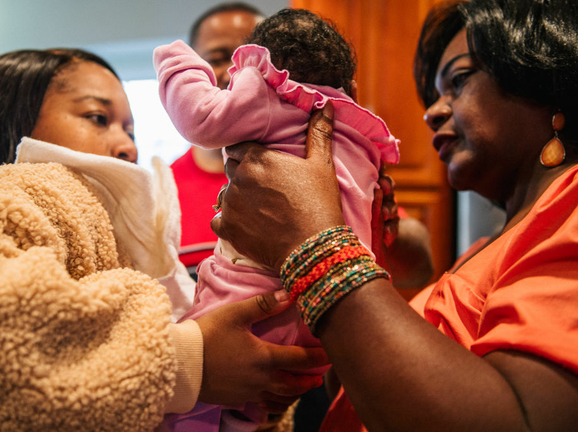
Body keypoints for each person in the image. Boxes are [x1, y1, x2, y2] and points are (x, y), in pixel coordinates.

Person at [211, 0, 578, 430]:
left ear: (546, 78)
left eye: (459, 81)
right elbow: (367, 399)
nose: (432, 112)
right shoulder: (483, 249)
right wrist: (362, 260)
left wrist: (319, 248)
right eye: (434, 96)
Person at [0, 48, 328, 431]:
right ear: (8, 121)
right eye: (98, 118)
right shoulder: (24, 194)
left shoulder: (125, 234)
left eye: (130, 131)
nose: (128, 147)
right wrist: (188, 361)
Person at [155, 8, 400, 431]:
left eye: (240, 59)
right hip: (327, 315)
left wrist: (176, 62)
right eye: (217, 57)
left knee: (192, 407)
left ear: (263, 67)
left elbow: (198, 115)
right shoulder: (357, 134)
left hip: (262, 310)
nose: (230, 74)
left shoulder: (269, 98)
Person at [169, 2, 265, 279]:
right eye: (218, 58)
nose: (235, 73)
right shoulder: (160, 194)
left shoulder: (309, 175)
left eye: (252, 59)